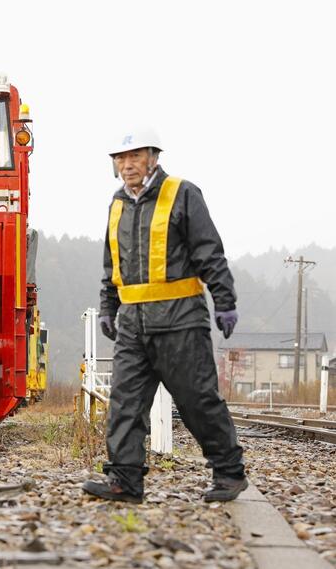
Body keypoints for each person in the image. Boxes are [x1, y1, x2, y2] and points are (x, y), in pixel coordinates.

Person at [82, 127, 247, 504]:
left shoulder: (183, 194)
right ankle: (125, 481)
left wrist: (224, 300)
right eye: (120, 159)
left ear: (153, 157)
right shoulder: (117, 204)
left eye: (135, 156)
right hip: (133, 327)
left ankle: (229, 473)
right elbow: (113, 264)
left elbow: (209, 252)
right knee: (125, 403)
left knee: (198, 400)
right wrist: (109, 307)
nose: (127, 165)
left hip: (181, 321)